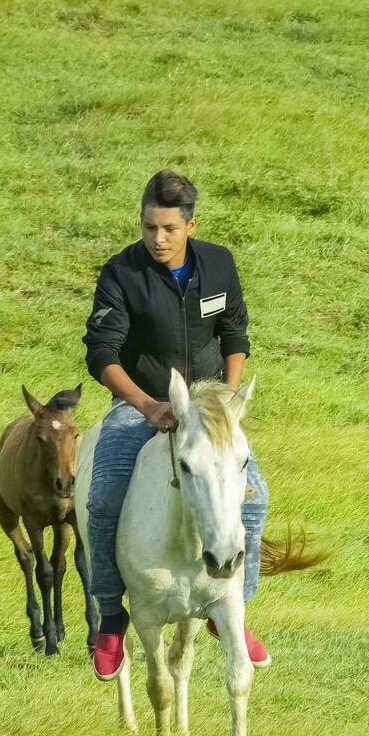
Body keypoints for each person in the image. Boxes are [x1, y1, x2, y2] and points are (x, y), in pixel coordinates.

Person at [81, 169, 271, 681]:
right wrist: (147, 406)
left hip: (210, 405)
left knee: (256, 497)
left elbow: (234, 331)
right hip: (144, 404)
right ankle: (111, 617)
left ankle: (236, 609)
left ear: (191, 224)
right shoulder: (120, 273)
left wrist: (229, 398)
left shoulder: (219, 264)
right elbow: (101, 354)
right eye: (148, 228)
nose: (158, 239)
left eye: (168, 228)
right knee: (102, 498)